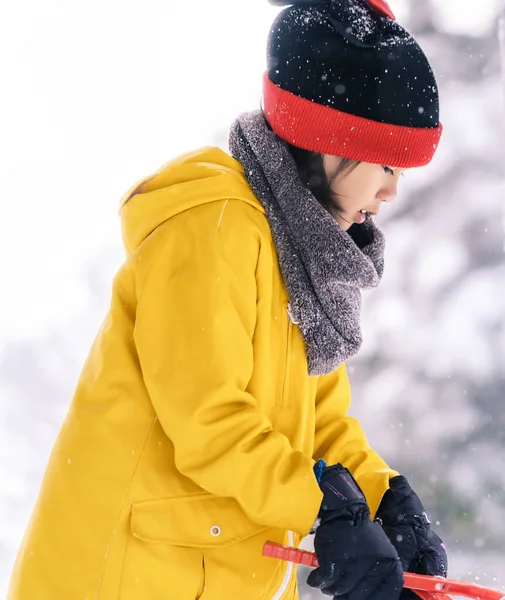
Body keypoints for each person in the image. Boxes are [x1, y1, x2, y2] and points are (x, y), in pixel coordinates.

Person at [8, 1, 448, 599]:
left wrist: (383, 497)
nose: (393, 191)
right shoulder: (214, 225)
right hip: (126, 576)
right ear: (328, 139)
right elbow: (208, 418)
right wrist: (324, 508)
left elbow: (319, 422)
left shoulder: (307, 251)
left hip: (218, 577)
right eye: (387, 164)